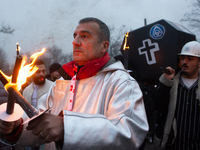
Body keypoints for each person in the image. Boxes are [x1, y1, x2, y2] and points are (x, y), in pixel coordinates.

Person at [0, 17, 148, 150]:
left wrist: (66, 127)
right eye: (75, 36)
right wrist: (16, 127)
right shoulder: (62, 83)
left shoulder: (122, 83)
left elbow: (129, 134)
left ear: (104, 46)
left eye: (84, 36)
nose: (75, 42)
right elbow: (39, 124)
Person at [154, 41, 200, 149]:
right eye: (183, 58)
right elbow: (157, 105)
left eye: (190, 59)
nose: (184, 62)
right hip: (173, 145)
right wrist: (165, 82)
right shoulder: (172, 83)